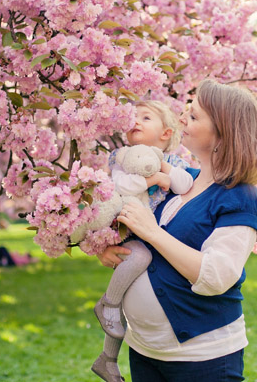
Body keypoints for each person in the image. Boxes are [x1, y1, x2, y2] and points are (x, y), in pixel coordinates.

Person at [99, 80, 257, 382]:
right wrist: (110, 249)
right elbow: (141, 238)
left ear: (222, 132)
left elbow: (217, 276)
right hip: (145, 350)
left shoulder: (240, 196)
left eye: (193, 116)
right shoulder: (178, 182)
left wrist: (153, 233)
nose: (182, 121)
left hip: (202, 357)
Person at [93, 100, 194, 382]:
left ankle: (107, 359)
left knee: (130, 296)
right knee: (135, 270)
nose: (135, 120)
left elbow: (185, 185)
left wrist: (164, 170)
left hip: (154, 234)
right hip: (129, 232)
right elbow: (118, 187)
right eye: (132, 116)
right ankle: (108, 307)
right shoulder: (120, 157)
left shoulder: (172, 160)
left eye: (146, 117)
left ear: (165, 134)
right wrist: (152, 180)